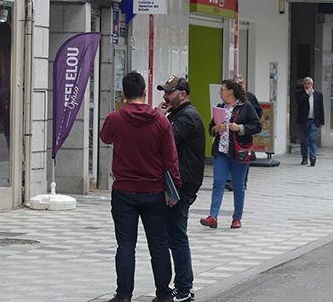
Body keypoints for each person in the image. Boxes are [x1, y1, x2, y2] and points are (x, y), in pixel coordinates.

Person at [100, 72, 180, 302]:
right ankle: (164, 294)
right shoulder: (161, 120)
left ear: (123, 93)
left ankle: (124, 295)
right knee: (159, 245)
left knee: (126, 245)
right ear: (145, 92)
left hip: (124, 190)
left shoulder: (116, 118)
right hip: (154, 191)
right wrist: (175, 189)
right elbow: (170, 159)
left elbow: (105, 138)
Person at [157, 76, 205, 302]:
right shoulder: (177, 114)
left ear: (182, 94)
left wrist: (159, 116)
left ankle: (184, 288)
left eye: (170, 91)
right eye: (165, 91)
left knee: (176, 236)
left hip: (181, 185)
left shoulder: (188, 117)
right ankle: (182, 286)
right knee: (172, 236)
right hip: (176, 183)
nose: (166, 95)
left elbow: (165, 139)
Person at [200, 79, 262, 230]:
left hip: (239, 151)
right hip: (221, 151)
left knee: (238, 185)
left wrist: (239, 128)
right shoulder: (220, 107)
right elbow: (210, 129)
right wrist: (216, 129)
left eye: (222, 89)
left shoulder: (245, 107)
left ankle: (237, 218)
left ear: (230, 91)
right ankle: (213, 216)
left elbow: (257, 126)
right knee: (218, 183)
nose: (220, 92)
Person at [295, 77, 324, 166]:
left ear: (312, 84)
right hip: (303, 120)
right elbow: (299, 102)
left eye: (309, 84)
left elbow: (321, 109)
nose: (307, 86)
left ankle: (313, 157)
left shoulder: (318, 94)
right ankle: (304, 158)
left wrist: (321, 121)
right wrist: (307, 94)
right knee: (303, 140)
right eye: (305, 84)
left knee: (312, 139)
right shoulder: (299, 93)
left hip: (313, 120)